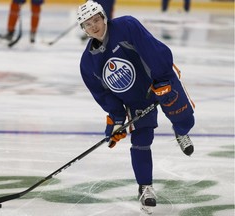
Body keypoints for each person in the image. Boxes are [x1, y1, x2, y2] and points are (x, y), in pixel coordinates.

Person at [76, 0, 195, 213]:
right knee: (141, 140)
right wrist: (117, 118)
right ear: (83, 29)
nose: (93, 26)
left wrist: (162, 81)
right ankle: (145, 187)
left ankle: (180, 131)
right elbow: (104, 94)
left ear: (104, 17)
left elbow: (153, 50)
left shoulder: (127, 26)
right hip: (136, 100)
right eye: (87, 24)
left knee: (185, 120)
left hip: (160, 81)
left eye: (96, 20)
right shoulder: (87, 63)